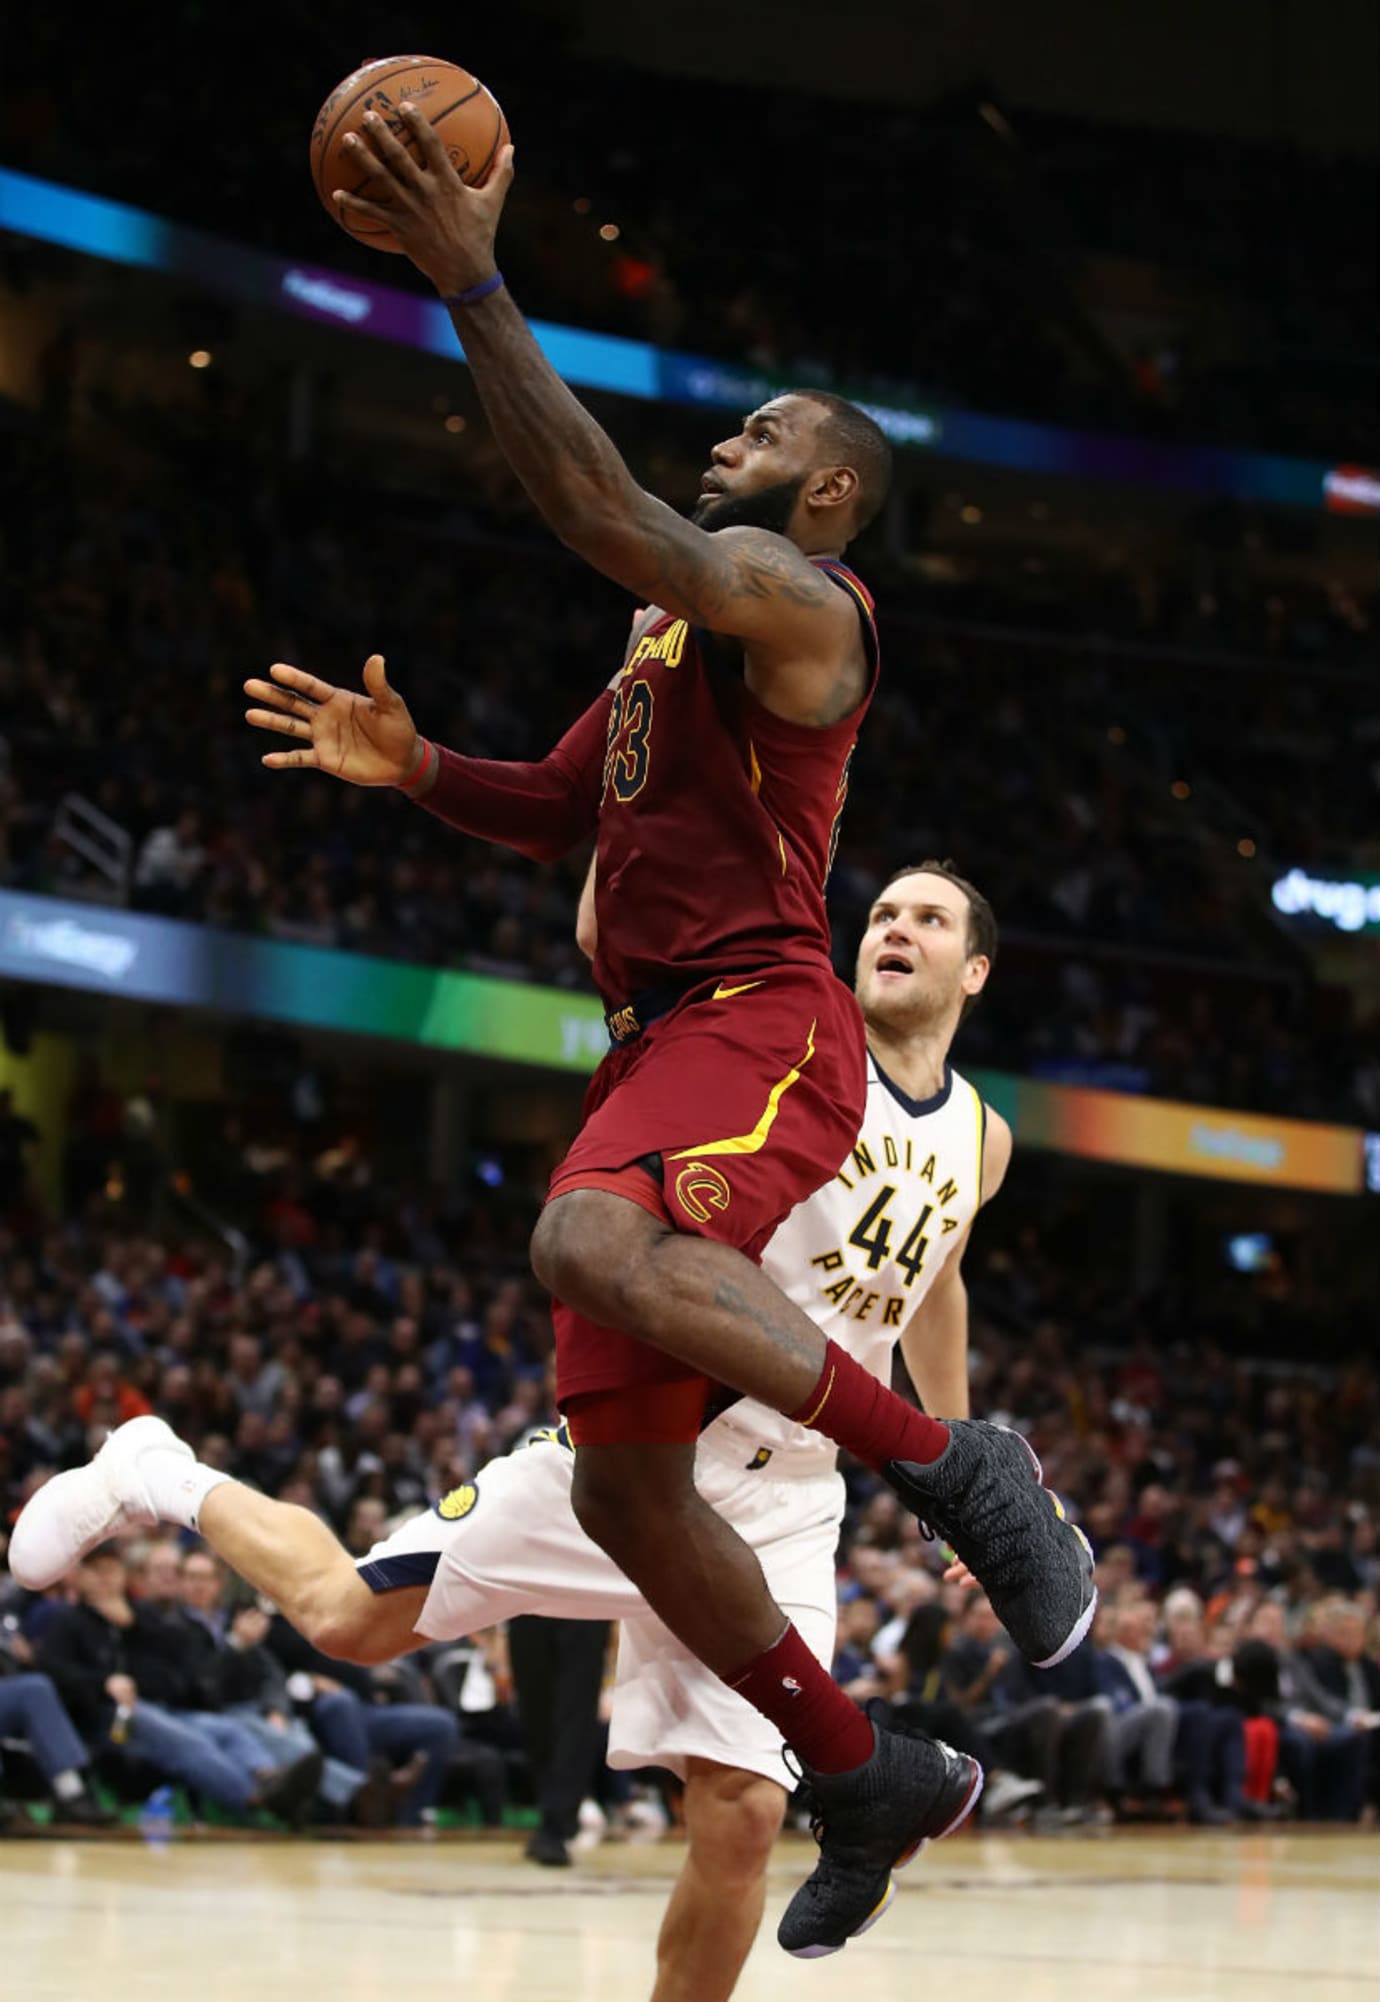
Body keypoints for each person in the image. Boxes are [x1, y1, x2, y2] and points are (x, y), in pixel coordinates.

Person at [241, 112, 1092, 1953]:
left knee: (579, 1235)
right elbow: (563, 808)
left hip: (759, 1014)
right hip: (653, 1036)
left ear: (831, 498)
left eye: (768, 433)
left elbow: (603, 505)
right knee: (628, 1486)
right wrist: (421, 772)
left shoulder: (809, 609)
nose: (734, 442)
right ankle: (871, 1768)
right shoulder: (662, 640)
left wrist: (471, 278)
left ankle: (953, 1468)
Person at [14, 864, 1068, 1987]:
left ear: (977, 968)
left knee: (744, 1810)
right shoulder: (785, 1043)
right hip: (650, 1449)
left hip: (792, 1495)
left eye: (930, 918)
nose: (896, 928)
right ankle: (158, 1469)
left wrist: (960, 1473)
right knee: (343, 1621)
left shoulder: (983, 1139)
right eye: (884, 913)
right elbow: (619, 934)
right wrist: (636, 771)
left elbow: (936, 1286)